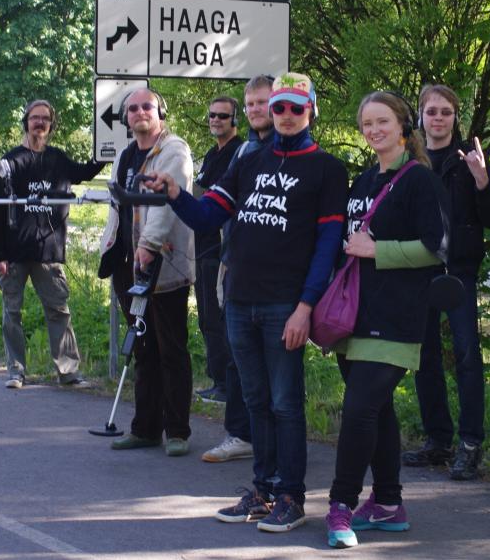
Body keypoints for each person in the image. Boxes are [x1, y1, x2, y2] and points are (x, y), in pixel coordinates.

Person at [146, 71, 348, 533]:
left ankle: (291, 497)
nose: (286, 115)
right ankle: (263, 489)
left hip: (286, 305)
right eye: (279, 107)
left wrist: (306, 307)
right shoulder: (248, 159)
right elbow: (208, 214)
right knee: (255, 401)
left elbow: (327, 246)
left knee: (285, 403)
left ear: (311, 110)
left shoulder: (328, 169)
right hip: (239, 299)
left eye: (297, 107)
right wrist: (176, 194)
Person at [324, 91, 448, 549]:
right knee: (378, 411)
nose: (374, 130)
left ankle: (340, 505)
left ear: (403, 126)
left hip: (395, 318)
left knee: (358, 412)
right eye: (367, 124)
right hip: (353, 316)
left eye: (382, 122)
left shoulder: (420, 181)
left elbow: (439, 247)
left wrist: (379, 250)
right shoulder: (363, 182)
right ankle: (389, 503)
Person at [404, 84, 490, 480]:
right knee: (423, 358)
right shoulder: (412, 160)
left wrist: (482, 180)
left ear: (455, 117)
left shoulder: (471, 160)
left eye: (446, 112)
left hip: (459, 270)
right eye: (432, 111)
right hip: (419, 268)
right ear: (421, 117)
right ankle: (438, 441)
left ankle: (470, 444)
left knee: (466, 357)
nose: (439, 118)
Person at [98, 87, 195, 457]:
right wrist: (112, 248)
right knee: (143, 346)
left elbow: (166, 205)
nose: (140, 112)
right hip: (127, 262)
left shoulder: (173, 151)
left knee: (171, 347)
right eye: (133, 108)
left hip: (162, 261)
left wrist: (149, 246)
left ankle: (178, 431)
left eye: (147, 106)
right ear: (126, 117)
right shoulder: (124, 155)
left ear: (160, 112)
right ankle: (145, 427)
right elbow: (117, 206)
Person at [0, 99, 104, 389]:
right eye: (34, 118)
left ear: (51, 126)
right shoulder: (10, 162)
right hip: (14, 254)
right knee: (12, 313)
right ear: (26, 122)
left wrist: (108, 148)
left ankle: (68, 373)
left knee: (59, 311)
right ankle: (16, 372)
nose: (39, 123)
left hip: (48, 252)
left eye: (45, 119)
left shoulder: (58, 160)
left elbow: (85, 173)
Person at [201, 75, 273, 464]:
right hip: (234, 264)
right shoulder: (244, 151)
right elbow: (215, 204)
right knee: (236, 352)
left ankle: (273, 445)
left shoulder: (296, 153)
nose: (257, 110)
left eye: (264, 102)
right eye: (252, 104)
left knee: (276, 363)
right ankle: (239, 434)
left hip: (279, 277)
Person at [193, 95, 243, 404]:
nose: (216, 120)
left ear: (236, 120)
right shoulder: (212, 154)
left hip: (222, 249)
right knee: (207, 319)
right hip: (201, 245)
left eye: (223, 116)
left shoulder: (240, 153)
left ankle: (226, 385)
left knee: (219, 320)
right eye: (212, 115)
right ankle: (217, 380)